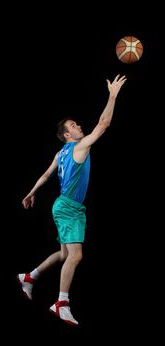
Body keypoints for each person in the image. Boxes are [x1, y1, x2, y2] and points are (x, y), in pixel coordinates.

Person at [17, 74, 127, 326]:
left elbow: (46, 174)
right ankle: (61, 303)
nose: (79, 126)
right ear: (67, 135)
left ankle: (29, 276)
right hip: (68, 207)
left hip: (64, 205)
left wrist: (31, 192)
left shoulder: (61, 152)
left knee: (65, 254)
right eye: (74, 126)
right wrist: (112, 95)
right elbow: (104, 124)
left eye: (77, 124)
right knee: (76, 256)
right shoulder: (79, 147)